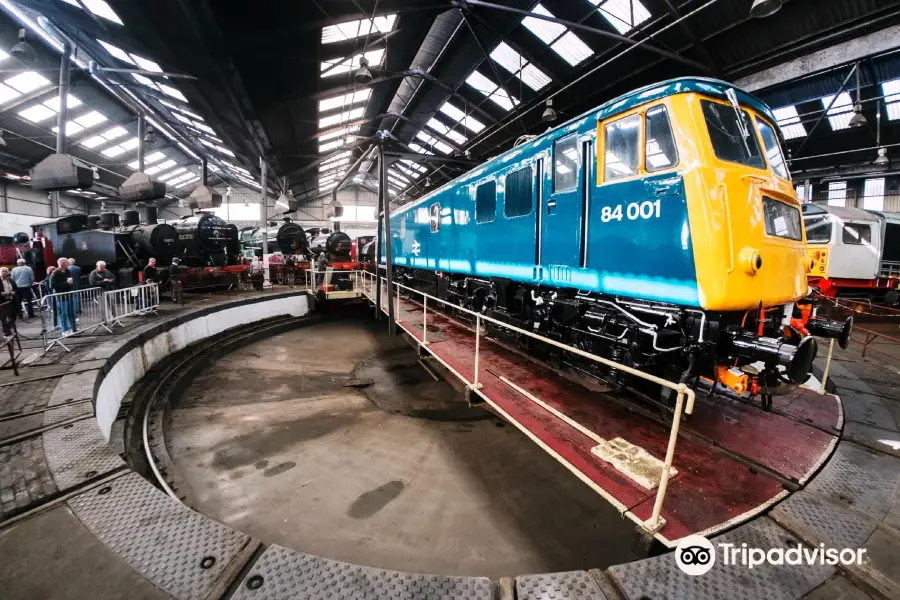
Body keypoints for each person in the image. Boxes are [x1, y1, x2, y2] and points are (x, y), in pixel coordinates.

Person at [49, 258, 76, 336]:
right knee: (63, 314)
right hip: (61, 297)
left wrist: (70, 285)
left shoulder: (67, 271)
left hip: (69, 295)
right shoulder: (55, 273)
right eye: (67, 263)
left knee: (71, 313)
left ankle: (73, 328)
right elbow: (52, 286)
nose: (68, 264)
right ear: (63, 263)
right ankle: (64, 330)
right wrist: (66, 283)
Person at [0, 267, 18, 335]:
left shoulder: (11, 280)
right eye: (3, 271)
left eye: (6, 271)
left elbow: (16, 288)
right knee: (3, 317)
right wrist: (2, 293)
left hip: (11, 300)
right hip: (2, 301)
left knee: (14, 315)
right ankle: (6, 331)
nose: (4, 272)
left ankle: (7, 328)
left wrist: (14, 292)